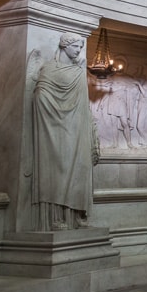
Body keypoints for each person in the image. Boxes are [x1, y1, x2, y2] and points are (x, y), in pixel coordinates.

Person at [32, 33, 99, 230]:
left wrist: (91, 128)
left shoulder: (79, 72)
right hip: (53, 128)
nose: (79, 50)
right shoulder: (49, 69)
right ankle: (56, 217)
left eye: (80, 47)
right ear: (64, 46)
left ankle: (76, 214)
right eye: (76, 46)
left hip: (77, 129)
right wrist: (50, 107)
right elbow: (40, 94)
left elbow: (84, 104)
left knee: (80, 167)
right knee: (57, 168)